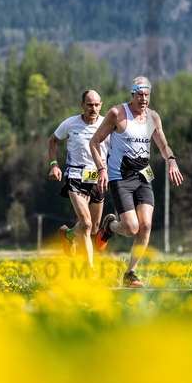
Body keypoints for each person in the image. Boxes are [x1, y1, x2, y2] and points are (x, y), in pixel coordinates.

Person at [91, 77, 183, 288]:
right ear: (132, 94)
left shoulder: (153, 117)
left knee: (146, 226)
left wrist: (171, 160)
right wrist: (101, 169)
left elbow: (163, 145)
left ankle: (130, 273)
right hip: (119, 177)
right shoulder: (117, 114)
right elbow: (94, 142)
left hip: (143, 177)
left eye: (147, 95)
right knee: (131, 228)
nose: (143, 99)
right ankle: (110, 226)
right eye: (139, 94)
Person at [48, 90, 109, 273]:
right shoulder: (70, 123)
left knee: (93, 228)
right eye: (89, 105)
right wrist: (54, 165)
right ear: (81, 105)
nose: (93, 108)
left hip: (98, 179)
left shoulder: (107, 125)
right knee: (86, 222)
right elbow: (52, 141)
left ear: (101, 105)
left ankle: (67, 234)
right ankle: (89, 269)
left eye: (97, 105)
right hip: (75, 177)